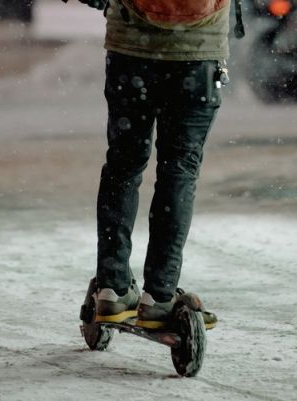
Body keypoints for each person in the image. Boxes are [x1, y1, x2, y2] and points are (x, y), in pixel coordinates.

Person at [77, 0, 235, 329]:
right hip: (198, 55)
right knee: (179, 171)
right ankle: (159, 297)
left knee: (123, 168)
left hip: (131, 53)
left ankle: (112, 289)